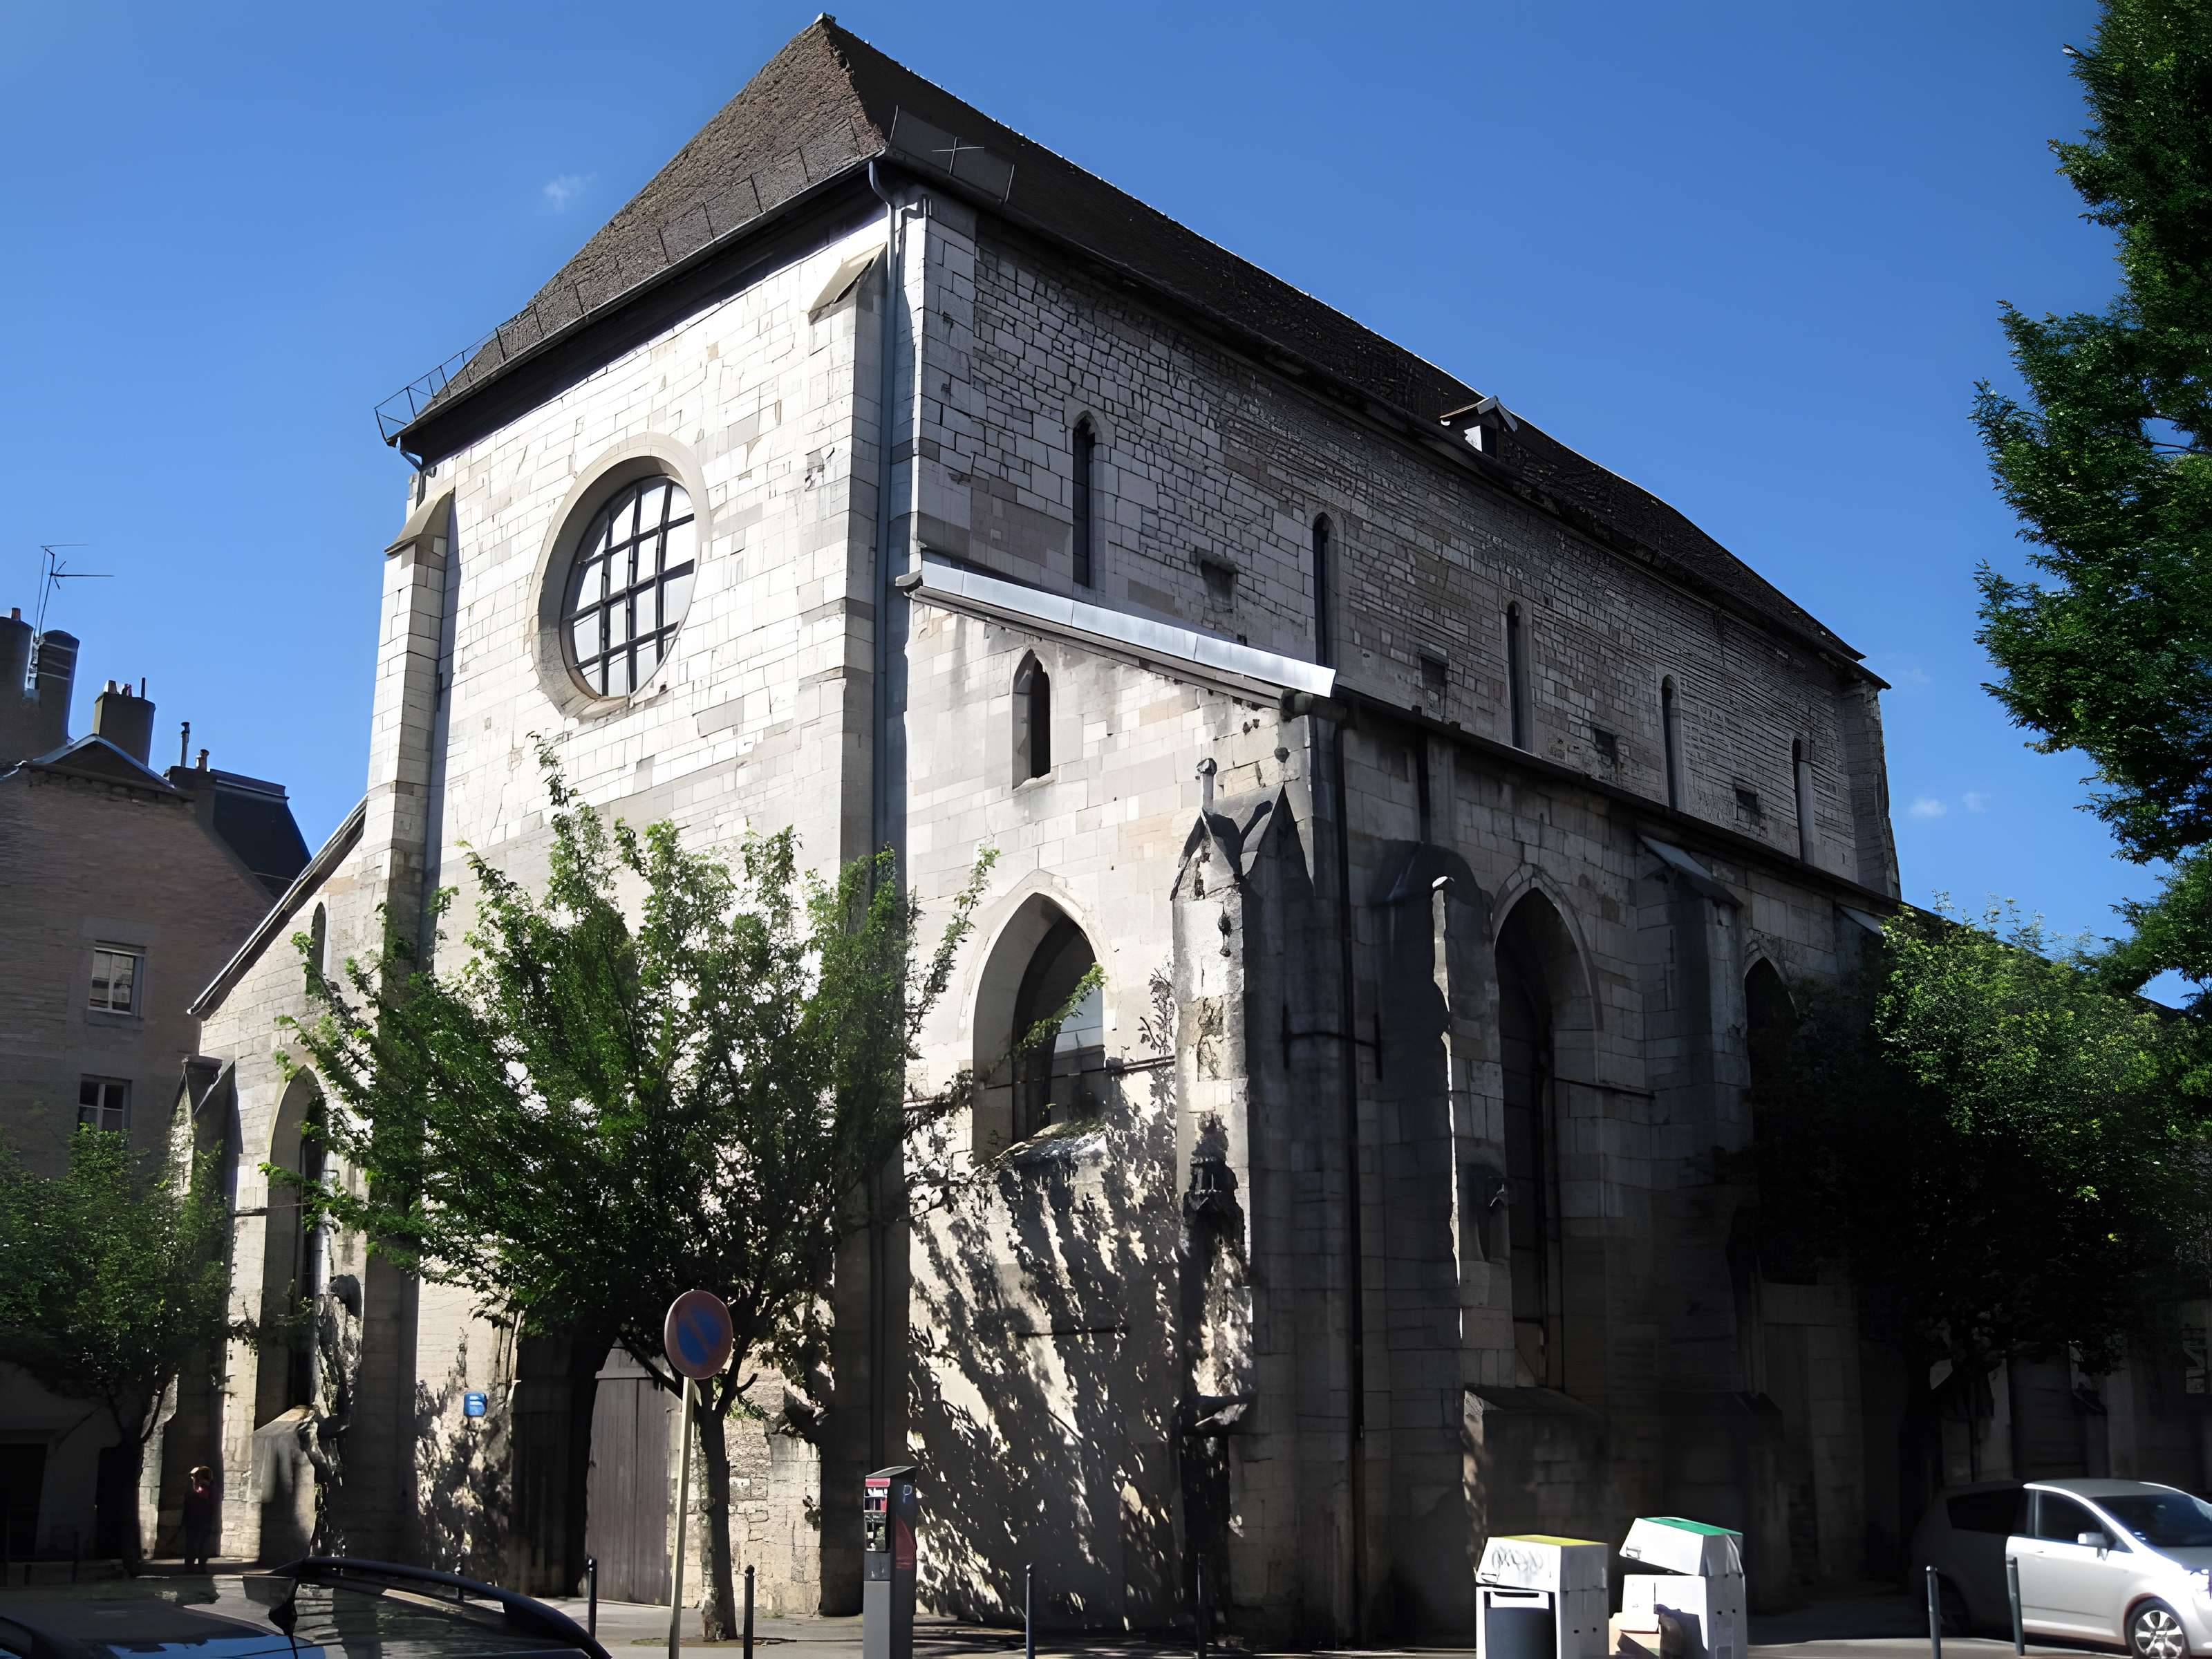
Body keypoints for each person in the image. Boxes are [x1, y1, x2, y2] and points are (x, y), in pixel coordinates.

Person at [181, 1466, 217, 1569]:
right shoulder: (208, 1487)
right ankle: (198, 1566)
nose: (192, 1478)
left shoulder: (203, 1488)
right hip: (199, 1520)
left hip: (199, 1520)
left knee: (196, 1544)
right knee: (199, 1544)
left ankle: (195, 1566)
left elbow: (200, 1497)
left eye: (194, 1476)